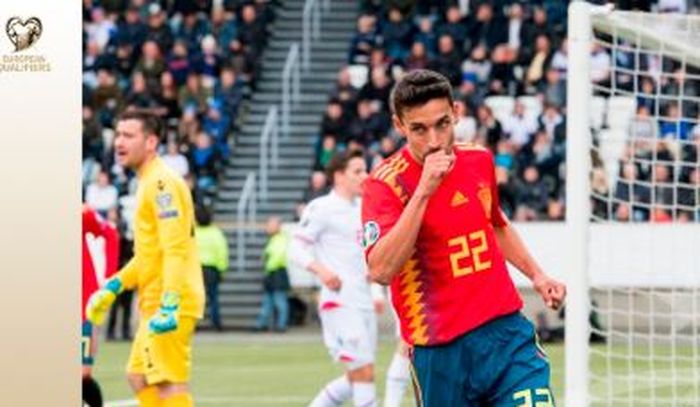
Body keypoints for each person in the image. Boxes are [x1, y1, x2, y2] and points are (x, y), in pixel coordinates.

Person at [361, 70, 566, 406]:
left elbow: (496, 225)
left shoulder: (478, 159)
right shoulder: (384, 185)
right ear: (399, 126)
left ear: (456, 112)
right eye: (419, 129)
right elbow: (381, 269)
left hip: (505, 335)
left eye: (443, 123)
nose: (435, 141)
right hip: (440, 352)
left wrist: (537, 275)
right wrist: (423, 193)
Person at [85, 110, 205, 407]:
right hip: (155, 300)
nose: (119, 142)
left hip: (170, 301)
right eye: (118, 135)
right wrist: (113, 287)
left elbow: (175, 247)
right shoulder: (148, 182)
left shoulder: (161, 183)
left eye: (128, 135)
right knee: (138, 376)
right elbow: (148, 255)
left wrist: (170, 303)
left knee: (167, 383)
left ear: (151, 141)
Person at [289, 150, 381, 407]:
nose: (365, 176)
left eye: (365, 170)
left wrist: (375, 292)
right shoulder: (322, 208)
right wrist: (321, 270)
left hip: (362, 301)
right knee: (364, 373)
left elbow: (366, 259)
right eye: (357, 171)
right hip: (340, 302)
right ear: (339, 176)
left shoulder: (364, 208)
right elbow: (295, 248)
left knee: (357, 376)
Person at [82, 204, 120, 407]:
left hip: (81, 307)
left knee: (82, 375)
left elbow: (110, 232)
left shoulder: (82, 213)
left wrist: (109, 278)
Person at [194, 204, 229, 331]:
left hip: (196, 269)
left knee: (196, 298)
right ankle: (217, 324)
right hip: (212, 269)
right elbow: (222, 252)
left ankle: (193, 323)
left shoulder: (193, 233)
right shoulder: (216, 233)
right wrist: (222, 269)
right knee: (213, 298)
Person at [254, 216, 291, 332]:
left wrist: (267, 262)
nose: (267, 228)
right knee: (268, 302)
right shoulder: (274, 239)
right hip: (271, 273)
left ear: (278, 226)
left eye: (270, 225)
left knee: (280, 301)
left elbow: (277, 256)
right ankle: (261, 324)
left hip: (277, 272)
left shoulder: (281, 239)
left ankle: (281, 325)